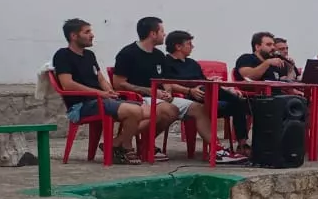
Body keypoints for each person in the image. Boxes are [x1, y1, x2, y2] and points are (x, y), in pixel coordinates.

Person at [52, 18, 147, 165]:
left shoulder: (89, 55)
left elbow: (101, 79)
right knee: (135, 111)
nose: (92, 35)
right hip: (80, 105)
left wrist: (109, 91)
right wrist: (99, 93)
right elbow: (67, 85)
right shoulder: (62, 55)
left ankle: (116, 144)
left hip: (101, 100)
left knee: (151, 112)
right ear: (73, 36)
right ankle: (125, 147)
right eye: (87, 32)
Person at [162, 30, 247, 164]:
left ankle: (242, 144)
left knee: (239, 103)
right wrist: (189, 90)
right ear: (178, 46)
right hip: (189, 99)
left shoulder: (192, 63)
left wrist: (222, 86)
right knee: (205, 90)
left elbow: (204, 80)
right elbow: (167, 83)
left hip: (206, 94)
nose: (192, 47)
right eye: (189, 44)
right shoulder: (166, 62)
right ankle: (219, 149)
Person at [111, 16, 181, 162]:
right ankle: (126, 143)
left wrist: (168, 92)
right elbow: (118, 84)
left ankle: (129, 143)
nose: (165, 34)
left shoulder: (159, 55)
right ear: (153, 34)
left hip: (159, 97)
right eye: (162, 31)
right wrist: (148, 91)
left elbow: (165, 80)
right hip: (135, 98)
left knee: (194, 108)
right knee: (169, 110)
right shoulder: (127, 53)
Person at [233, 31, 290, 155]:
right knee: (239, 104)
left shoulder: (275, 63)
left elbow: (283, 81)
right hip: (252, 98)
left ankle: (291, 143)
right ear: (257, 46)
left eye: (273, 45)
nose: (273, 48)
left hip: (277, 97)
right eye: (268, 45)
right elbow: (248, 76)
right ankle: (243, 145)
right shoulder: (246, 58)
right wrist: (267, 63)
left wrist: (290, 69)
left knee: (301, 105)